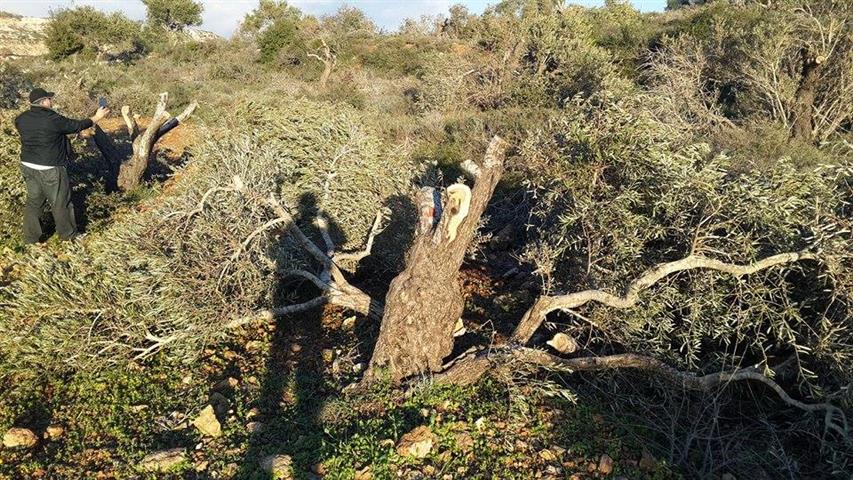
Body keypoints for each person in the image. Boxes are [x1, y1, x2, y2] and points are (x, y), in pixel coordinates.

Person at [14, 88, 110, 244]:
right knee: (60, 202)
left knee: (34, 202)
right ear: (44, 101)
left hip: (28, 166)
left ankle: (30, 240)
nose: (51, 102)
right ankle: (68, 236)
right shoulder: (52, 118)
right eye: (50, 99)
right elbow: (75, 126)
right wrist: (96, 117)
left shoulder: (21, 119)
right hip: (50, 167)